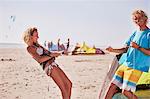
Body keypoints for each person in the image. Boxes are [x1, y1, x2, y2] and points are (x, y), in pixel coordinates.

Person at [104, 10, 150, 99]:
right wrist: (112, 50)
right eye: (135, 19)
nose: (137, 21)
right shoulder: (135, 33)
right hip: (126, 64)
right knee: (112, 87)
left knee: (126, 92)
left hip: (137, 67)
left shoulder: (148, 34)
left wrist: (138, 47)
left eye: (139, 18)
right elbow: (125, 49)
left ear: (145, 19)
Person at [23, 27, 72, 99]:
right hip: (49, 68)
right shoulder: (30, 48)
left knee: (69, 84)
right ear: (30, 36)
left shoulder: (38, 45)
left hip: (54, 64)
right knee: (63, 88)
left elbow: (50, 53)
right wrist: (51, 55)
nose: (38, 37)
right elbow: (40, 59)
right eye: (36, 35)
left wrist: (61, 52)